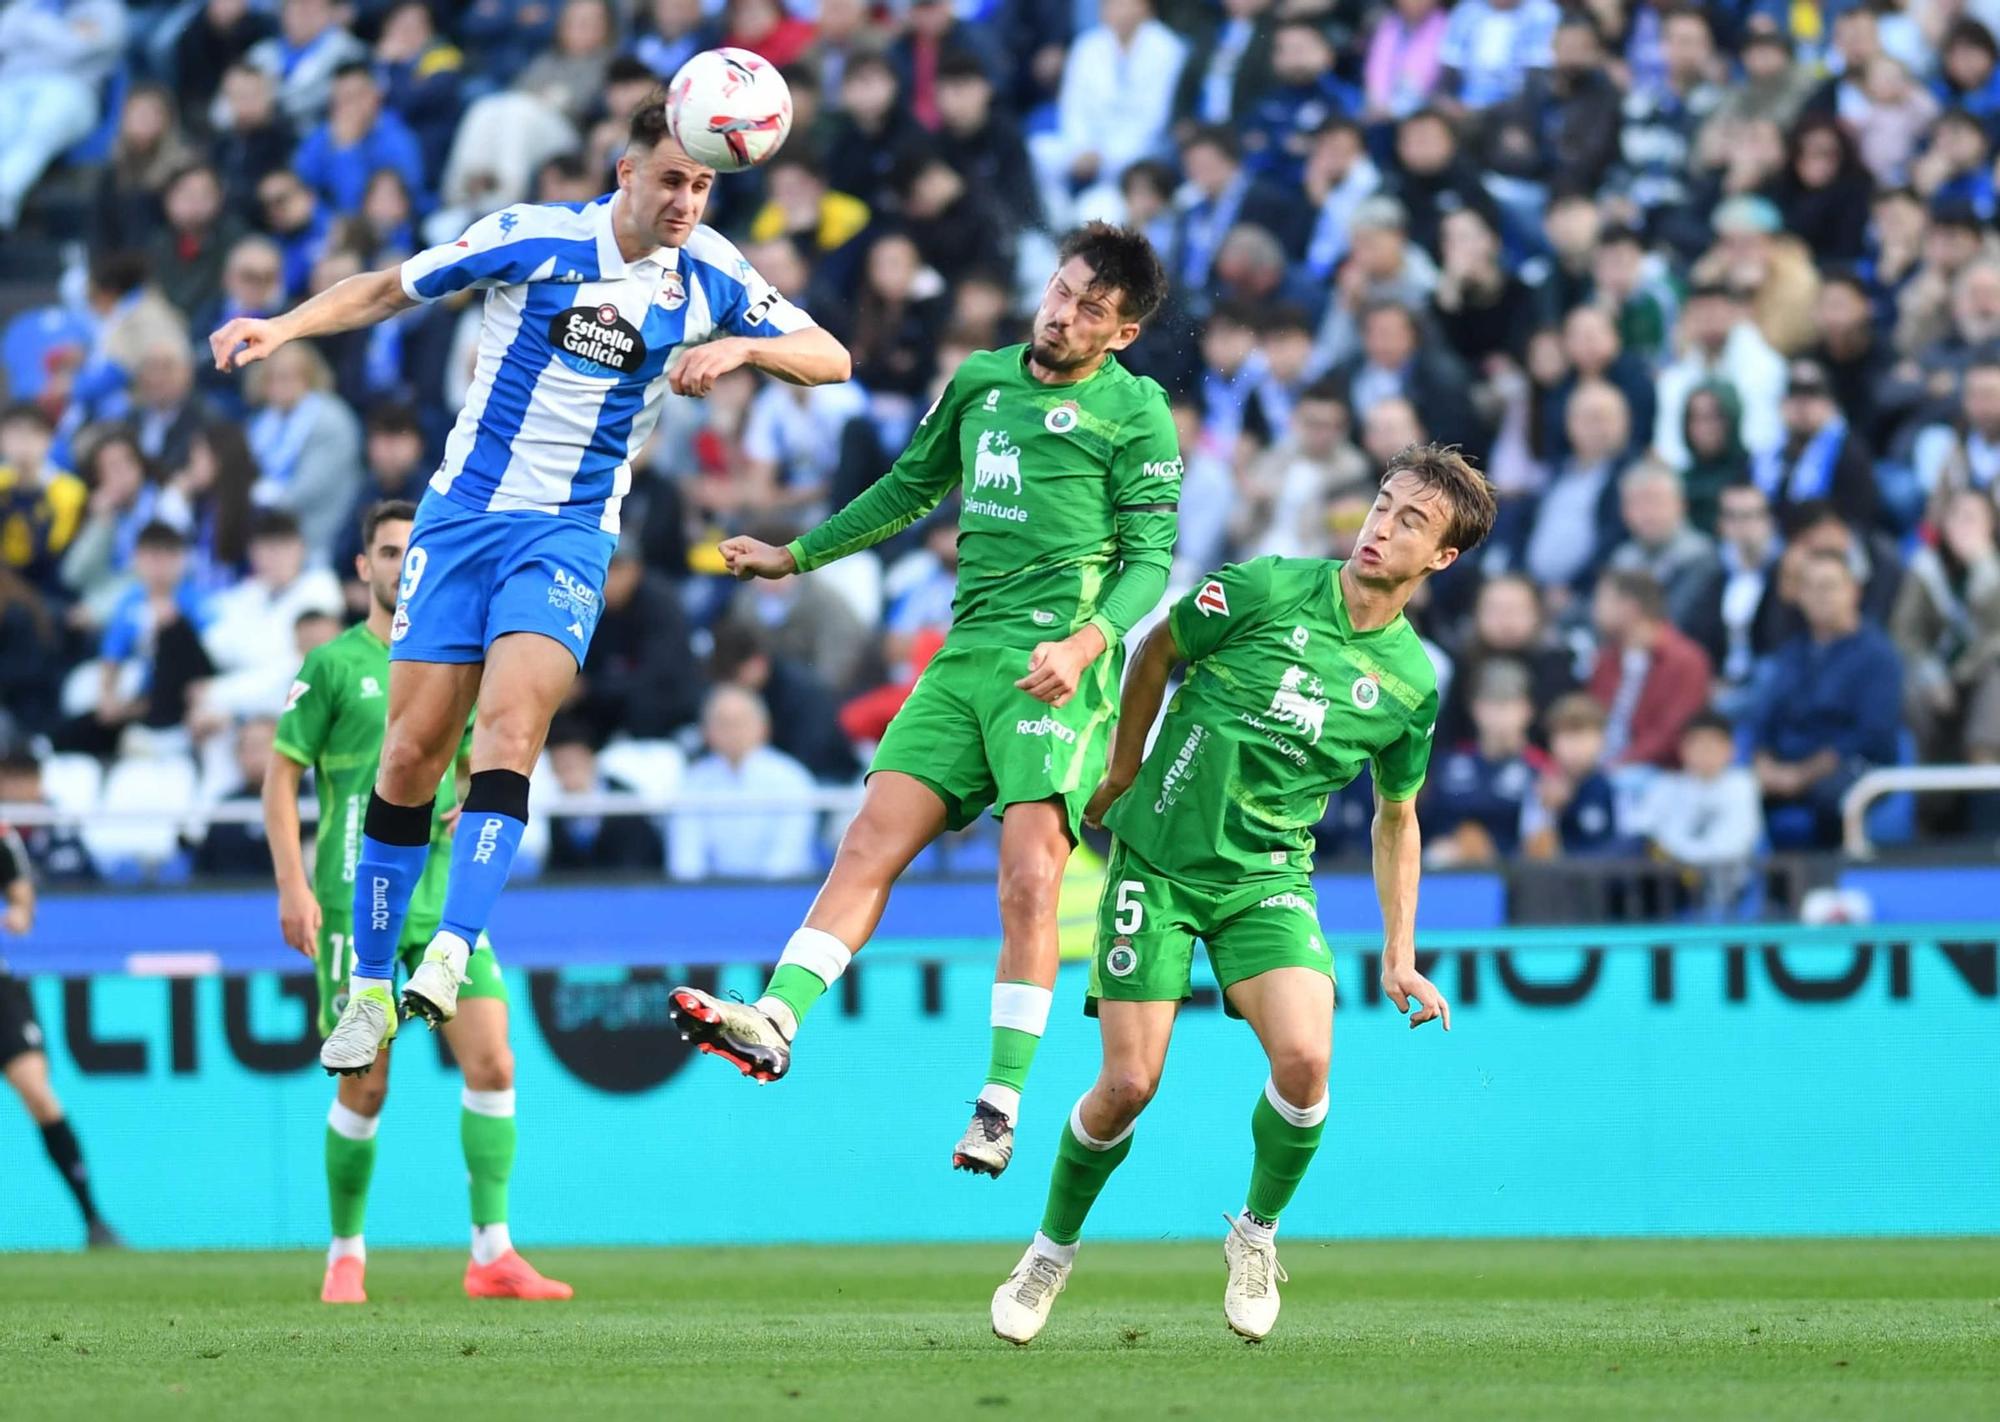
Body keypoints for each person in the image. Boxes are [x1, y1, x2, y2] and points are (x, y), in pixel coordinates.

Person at [210, 93, 850, 1076]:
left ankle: (453, 949)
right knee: (412, 756)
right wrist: (283, 327)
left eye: (703, 184)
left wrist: (746, 346)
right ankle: (372, 988)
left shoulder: (712, 274)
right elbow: (390, 288)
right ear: (624, 171)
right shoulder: (533, 238)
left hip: (569, 535)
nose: (687, 200)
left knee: (511, 732)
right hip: (461, 518)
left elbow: (831, 356)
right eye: (672, 179)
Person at [669, 224, 1176, 1178]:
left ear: (1125, 335)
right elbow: (909, 489)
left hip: (1054, 666)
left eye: (1092, 311)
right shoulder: (984, 380)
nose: (1064, 315)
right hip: (962, 660)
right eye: (1062, 291)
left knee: (1030, 879)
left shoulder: (1136, 414)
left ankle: (998, 1102)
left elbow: (1151, 561)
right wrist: (796, 553)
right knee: (867, 841)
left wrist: (1085, 640)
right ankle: (775, 1020)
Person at [989, 445, 1493, 1346]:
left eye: (1411, 521)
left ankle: (1255, 1235)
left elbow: (1397, 819)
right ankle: (1049, 1252)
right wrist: (1122, 767)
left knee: (1306, 1064)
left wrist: (1401, 954)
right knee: (1129, 1084)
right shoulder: (1264, 587)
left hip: (1267, 881)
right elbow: (1156, 649)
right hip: (1158, 866)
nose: (1382, 527)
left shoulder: (1412, 685)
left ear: (1442, 558)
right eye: (1383, 505)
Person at [264, 500, 571, 1304]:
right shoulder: (334, 665)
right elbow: (279, 773)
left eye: (413, 550)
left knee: (495, 1059)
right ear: (364, 566)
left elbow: (480, 762)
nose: (403, 564)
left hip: (440, 895)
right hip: (350, 897)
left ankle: (492, 1253)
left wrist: (474, 794)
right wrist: (293, 884)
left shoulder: (459, 659)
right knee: (366, 1083)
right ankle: (345, 1253)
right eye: (389, 551)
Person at [0, 820, 121, 1247]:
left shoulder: (1, 835)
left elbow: (22, 898)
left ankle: (93, 1220)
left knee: (37, 1092)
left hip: (2, 992)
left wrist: (18, 913)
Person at [1750, 551, 1905, 849]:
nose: (1820, 597)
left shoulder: (1878, 656)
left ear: (1854, 591)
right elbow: (1764, 721)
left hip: (1852, 767)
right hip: (1788, 765)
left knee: (1830, 796)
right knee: (1737, 792)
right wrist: (1765, 764)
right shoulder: (1791, 653)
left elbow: (1872, 735)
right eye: (1810, 587)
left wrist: (1801, 775)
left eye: (1830, 586)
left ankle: (1829, 885)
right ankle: (1764, 892)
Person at [668, 685, 818, 881]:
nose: (732, 731)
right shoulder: (693, 783)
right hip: (709, 899)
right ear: (706, 731)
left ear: (764, 727)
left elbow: (788, 857)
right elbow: (686, 862)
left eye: (740, 722)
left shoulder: (791, 779)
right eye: (722, 723)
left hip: (779, 897)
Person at [1588, 568, 1713, 768]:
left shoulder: (1687, 661)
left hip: (1656, 772)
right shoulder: (1605, 659)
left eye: (1603, 600)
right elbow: (1590, 716)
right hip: (1601, 764)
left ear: (1629, 608)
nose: (1596, 610)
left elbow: (1673, 733)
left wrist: (1620, 763)